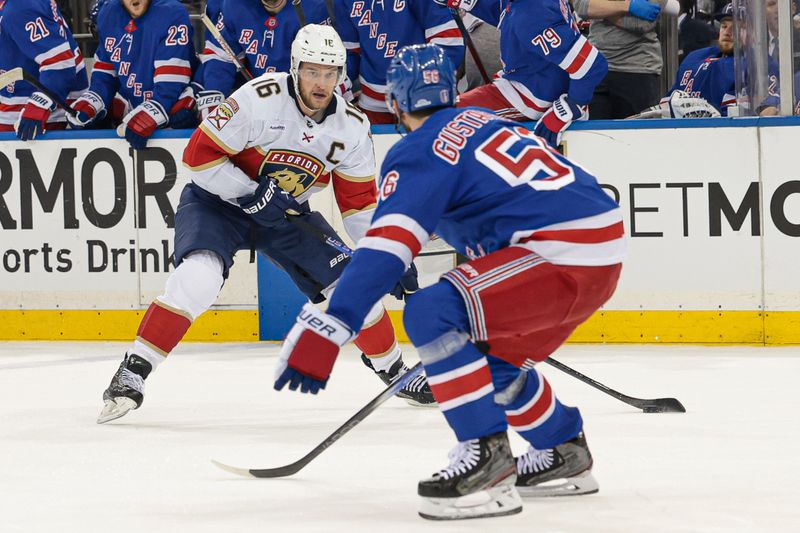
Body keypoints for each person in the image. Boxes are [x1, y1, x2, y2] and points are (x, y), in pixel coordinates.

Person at [273, 43, 625, 520]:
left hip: (558, 253)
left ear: (396, 103)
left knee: (430, 310)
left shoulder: (419, 149)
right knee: (491, 361)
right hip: (597, 248)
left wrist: (334, 323)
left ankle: (488, 460)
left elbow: (387, 247)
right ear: (454, 92)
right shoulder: (492, 123)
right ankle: (564, 449)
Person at [97, 24, 432, 425]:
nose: (320, 83)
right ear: (294, 68)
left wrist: (385, 254)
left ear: (341, 76)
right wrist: (249, 191)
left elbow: (358, 204)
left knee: (352, 287)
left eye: (329, 73)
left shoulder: (352, 127)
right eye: (312, 71)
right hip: (218, 202)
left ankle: (395, 371)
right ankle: (134, 369)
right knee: (198, 277)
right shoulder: (259, 99)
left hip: (286, 214)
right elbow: (198, 157)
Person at [438, 0, 608, 149]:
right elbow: (505, 14)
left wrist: (569, 108)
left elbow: (593, 66)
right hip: (529, 79)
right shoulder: (524, 7)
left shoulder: (532, 14)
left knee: (443, 118)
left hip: (532, 96)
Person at [67, 0, 197, 149]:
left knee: (182, 116)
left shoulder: (171, 12)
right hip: (137, 110)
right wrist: (92, 101)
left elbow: (170, 83)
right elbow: (106, 72)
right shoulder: (109, 13)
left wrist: (152, 113)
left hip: (175, 111)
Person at [335, 0, 464, 124]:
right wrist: (336, 85)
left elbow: (449, 41)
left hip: (423, 99)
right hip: (372, 104)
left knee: (430, 143)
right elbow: (351, 54)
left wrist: (421, 88)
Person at [198, 0, 331, 120]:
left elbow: (327, 66)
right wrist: (214, 95)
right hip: (255, 98)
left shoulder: (313, 7)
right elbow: (222, 58)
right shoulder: (234, 5)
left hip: (301, 97)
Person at [661, 3, 779, 117]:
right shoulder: (694, 58)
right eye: (724, 26)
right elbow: (666, 106)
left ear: (753, 33)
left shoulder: (759, 63)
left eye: (738, 27)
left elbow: (763, 109)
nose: (727, 32)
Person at [572, 0, 678, 120]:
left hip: (637, 70)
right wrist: (627, 6)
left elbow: (640, 23)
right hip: (597, 67)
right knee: (594, 136)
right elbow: (582, 6)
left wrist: (599, 8)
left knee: (638, 137)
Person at [0, 0, 88, 138]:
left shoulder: (20, 7)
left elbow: (60, 63)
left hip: (27, 118)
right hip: (14, 106)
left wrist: (37, 107)